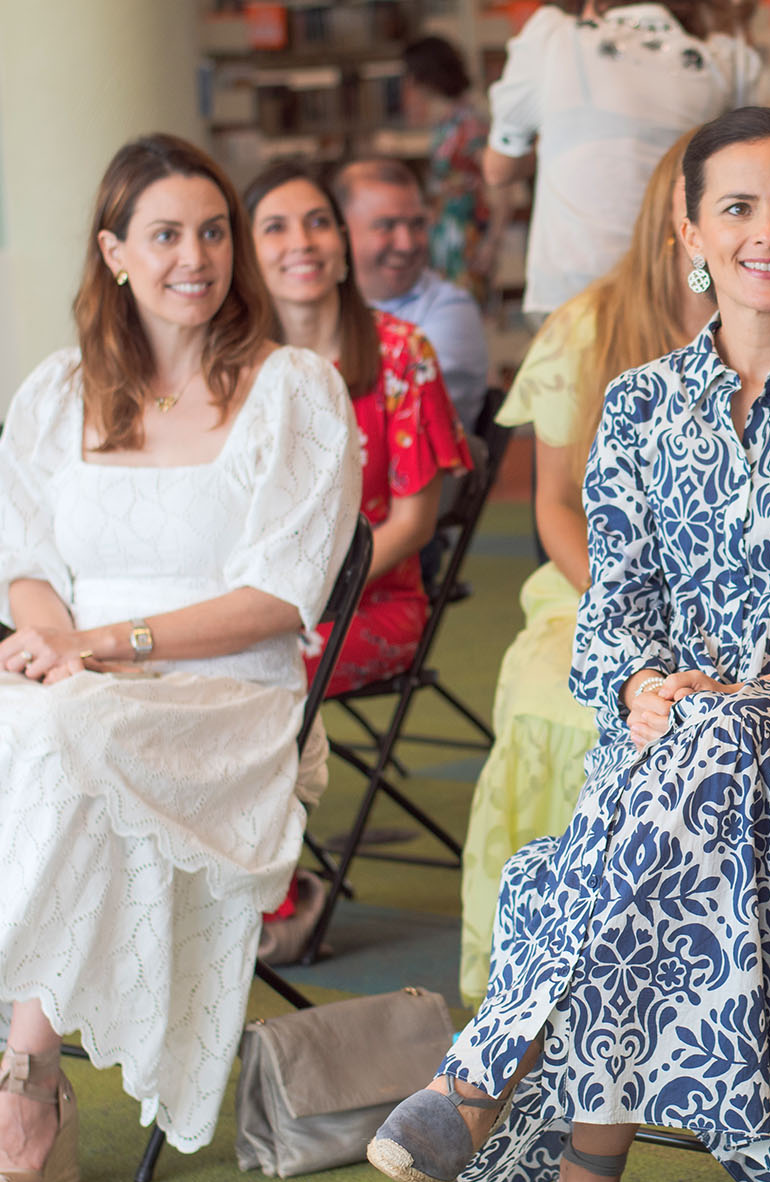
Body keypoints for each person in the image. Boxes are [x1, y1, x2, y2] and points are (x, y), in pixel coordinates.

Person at [367, 106, 770, 1182]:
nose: (766, 231)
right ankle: (585, 1176)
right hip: (683, 757)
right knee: (705, 752)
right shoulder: (639, 408)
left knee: (715, 738)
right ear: (689, 233)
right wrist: (641, 684)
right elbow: (610, 618)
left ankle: (487, 1075)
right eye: (735, 207)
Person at [0, 134, 358, 1182]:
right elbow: (26, 560)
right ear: (115, 251)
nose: (194, 257)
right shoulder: (59, 391)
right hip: (74, 677)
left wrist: (100, 648)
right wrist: (53, 644)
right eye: (164, 235)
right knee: (50, 724)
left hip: (227, 699)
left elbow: (282, 595)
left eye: (213, 231)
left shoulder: (293, 387)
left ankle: (24, 1077)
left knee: (69, 732)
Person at [458, 132, 715, 1006]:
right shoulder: (590, 326)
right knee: (549, 699)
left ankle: (687, 966)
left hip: (740, 606)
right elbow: (556, 505)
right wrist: (628, 609)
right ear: (669, 213)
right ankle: (548, 973)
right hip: (593, 589)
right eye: (717, 203)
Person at [244, 162, 472, 700]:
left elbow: (414, 525)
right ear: (247, 255)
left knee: (248, 680)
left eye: (318, 222)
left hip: (367, 604)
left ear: (343, 246)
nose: (301, 242)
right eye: (275, 227)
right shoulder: (232, 368)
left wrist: (307, 593)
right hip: (255, 600)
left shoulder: (403, 354)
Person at [485, 0, 764, 323]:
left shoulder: (554, 37)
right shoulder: (723, 63)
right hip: (677, 292)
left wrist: (557, 140)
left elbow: (497, 170)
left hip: (573, 295)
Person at [334, 158, 490, 432]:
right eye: (386, 226)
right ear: (340, 234)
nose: (406, 244)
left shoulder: (449, 309)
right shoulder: (327, 307)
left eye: (417, 224)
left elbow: (412, 419)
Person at [402, 35, 511, 295]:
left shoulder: (469, 123)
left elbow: (499, 181)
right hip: (446, 236)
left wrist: (492, 244)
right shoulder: (446, 120)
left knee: (464, 313)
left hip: (468, 236)